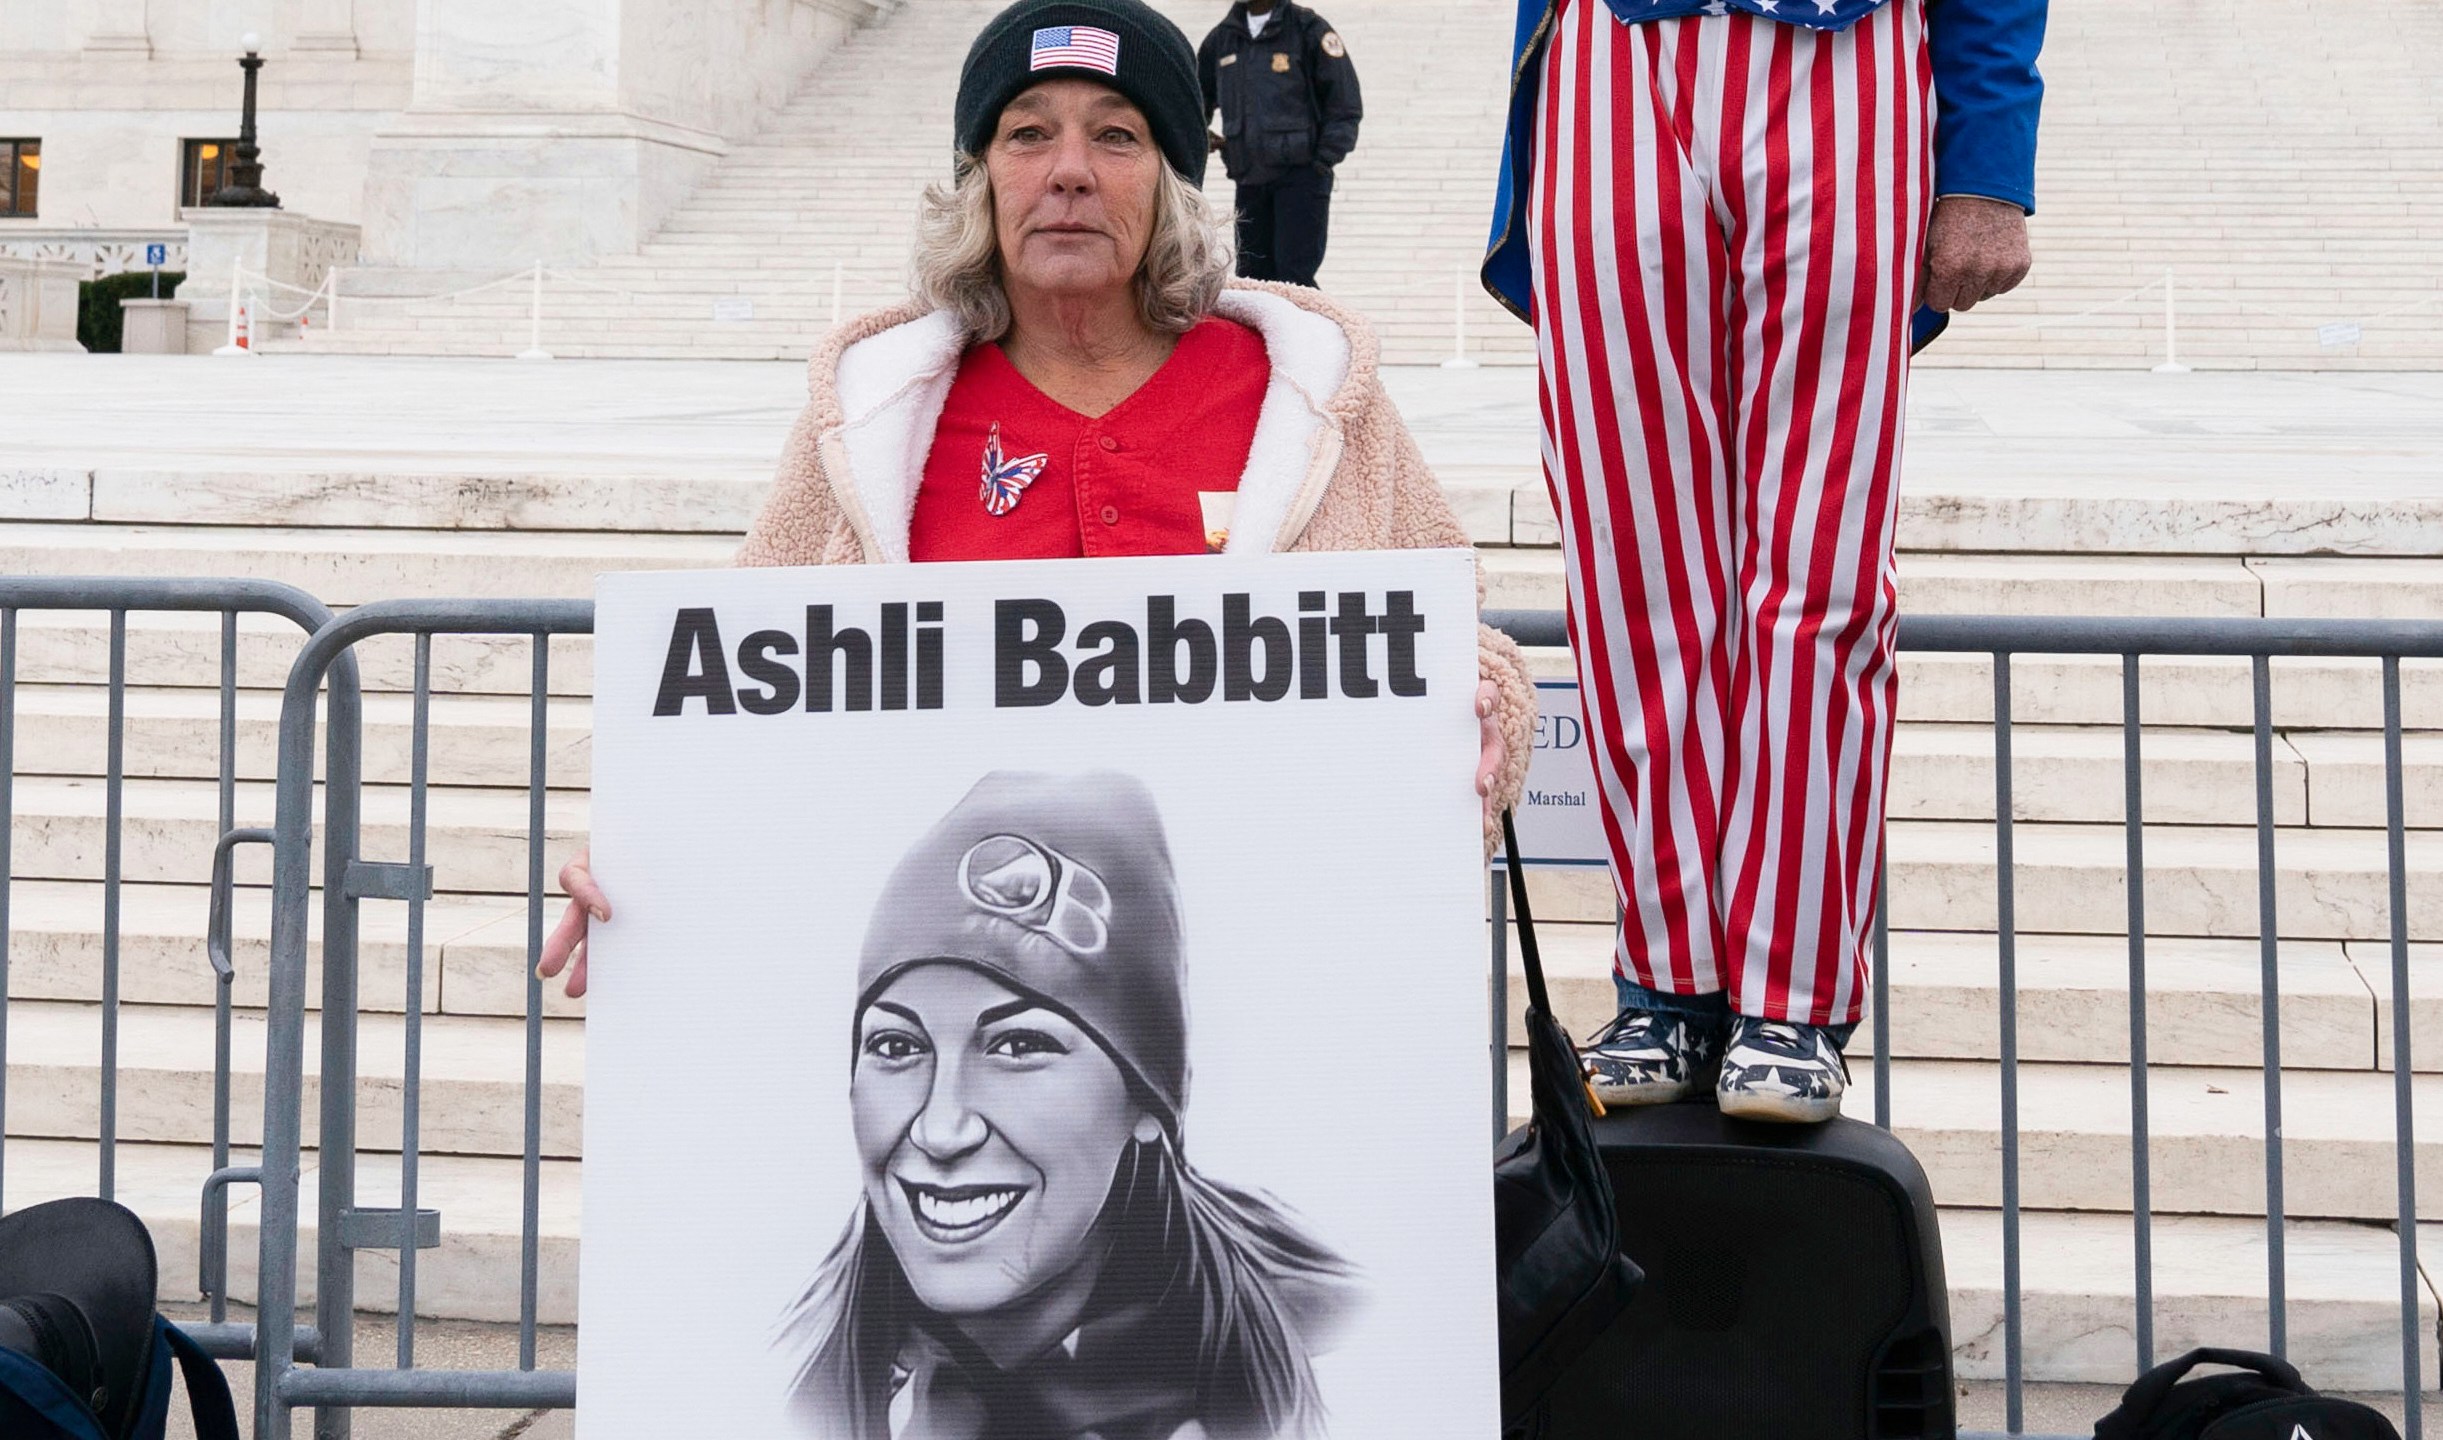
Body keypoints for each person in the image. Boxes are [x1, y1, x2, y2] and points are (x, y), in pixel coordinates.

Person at [537, 0, 1535, 1001]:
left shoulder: (1310, 394)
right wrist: (647, 858)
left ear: (1172, 187)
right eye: (1027, 134)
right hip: (952, 974)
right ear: (979, 182)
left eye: (1115, 134)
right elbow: (743, 703)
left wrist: (1481, 721)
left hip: (1265, 973)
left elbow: (1454, 639)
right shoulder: (875, 416)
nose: (1069, 171)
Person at [1481, 0, 2046, 1123]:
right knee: (1629, 566)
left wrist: (1985, 158)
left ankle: (1793, 991)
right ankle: (1669, 978)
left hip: (1847, 50)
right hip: (1613, 53)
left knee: (1820, 572)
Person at [782, 770, 1360, 1439]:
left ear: (1146, 1101)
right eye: (895, 1044)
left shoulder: (1345, 1347)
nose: (942, 1128)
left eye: (1018, 1044)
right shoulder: (776, 1365)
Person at [1196, 1, 1361, 288]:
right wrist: (1200, 133)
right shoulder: (1222, 39)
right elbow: (1194, 100)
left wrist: (1322, 161)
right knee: (1252, 280)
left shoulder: (1308, 29)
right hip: (1249, 181)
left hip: (1301, 179)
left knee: (1294, 278)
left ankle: (1305, 334)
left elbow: (1344, 103)